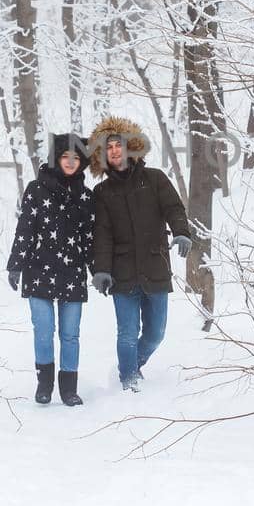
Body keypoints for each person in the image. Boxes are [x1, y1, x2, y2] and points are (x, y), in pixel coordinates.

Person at [86, 116, 192, 391]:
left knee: (156, 333)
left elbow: (174, 209)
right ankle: (128, 379)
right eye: (108, 148)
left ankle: (130, 366)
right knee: (127, 334)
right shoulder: (102, 192)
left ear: (130, 146)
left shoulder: (155, 179)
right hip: (122, 275)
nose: (114, 151)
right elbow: (102, 234)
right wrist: (101, 269)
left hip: (155, 266)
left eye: (118, 145)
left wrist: (181, 231)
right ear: (102, 155)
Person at [6, 133, 94, 406]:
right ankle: (44, 384)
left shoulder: (86, 197)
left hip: (72, 273)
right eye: (66, 157)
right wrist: (15, 264)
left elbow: (90, 239)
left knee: (70, 334)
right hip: (38, 270)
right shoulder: (36, 189)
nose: (70, 162)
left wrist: (99, 270)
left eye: (76, 158)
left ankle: (69, 389)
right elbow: (25, 229)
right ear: (57, 158)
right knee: (43, 330)